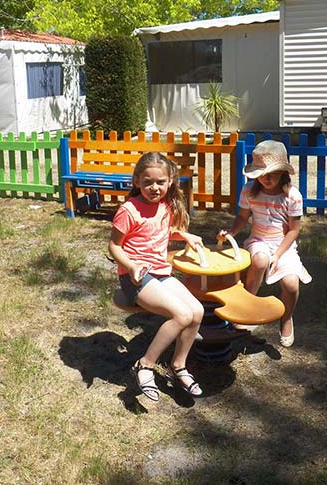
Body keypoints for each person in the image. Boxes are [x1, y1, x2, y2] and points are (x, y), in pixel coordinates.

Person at [108, 151, 204, 401]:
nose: (154, 187)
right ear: (137, 181)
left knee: (197, 312)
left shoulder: (165, 206)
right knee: (181, 315)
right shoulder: (128, 210)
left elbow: (157, 232)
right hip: (135, 278)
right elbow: (114, 246)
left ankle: (178, 366)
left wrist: (182, 235)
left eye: (160, 182)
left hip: (160, 272)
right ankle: (145, 364)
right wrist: (130, 266)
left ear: (170, 181)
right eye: (148, 182)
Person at [218, 140, 311, 347]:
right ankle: (246, 305)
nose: (265, 178)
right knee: (259, 261)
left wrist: (278, 254)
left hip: (283, 246)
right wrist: (231, 232)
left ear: (283, 173)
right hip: (258, 240)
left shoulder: (292, 196)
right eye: (260, 173)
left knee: (291, 285)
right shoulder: (249, 190)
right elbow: (242, 218)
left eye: (272, 174)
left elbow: (294, 230)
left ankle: (286, 317)